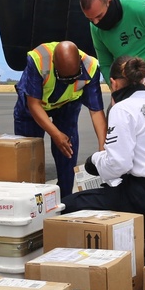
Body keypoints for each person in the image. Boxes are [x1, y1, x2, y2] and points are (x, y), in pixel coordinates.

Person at [64, 55, 145, 262]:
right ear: (141, 80)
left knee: (68, 205)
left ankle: (138, 242)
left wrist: (94, 161)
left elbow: (118, 164)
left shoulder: (123, 109)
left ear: (113, 83)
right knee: (119, 192)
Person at [13, 40, 108, 198]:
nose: (70, 82)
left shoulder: (91, 67)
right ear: (54, 64)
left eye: (74, 78)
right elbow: (34, 104)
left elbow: (96, 111)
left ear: (79, 62)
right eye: (64, 78)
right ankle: (30, 200)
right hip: (33, 108)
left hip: (67, 105)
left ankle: (65, 199)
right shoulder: (38, 60)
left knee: (67, 151)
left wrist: (103, 148)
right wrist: (55, 134)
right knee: (28, 156)